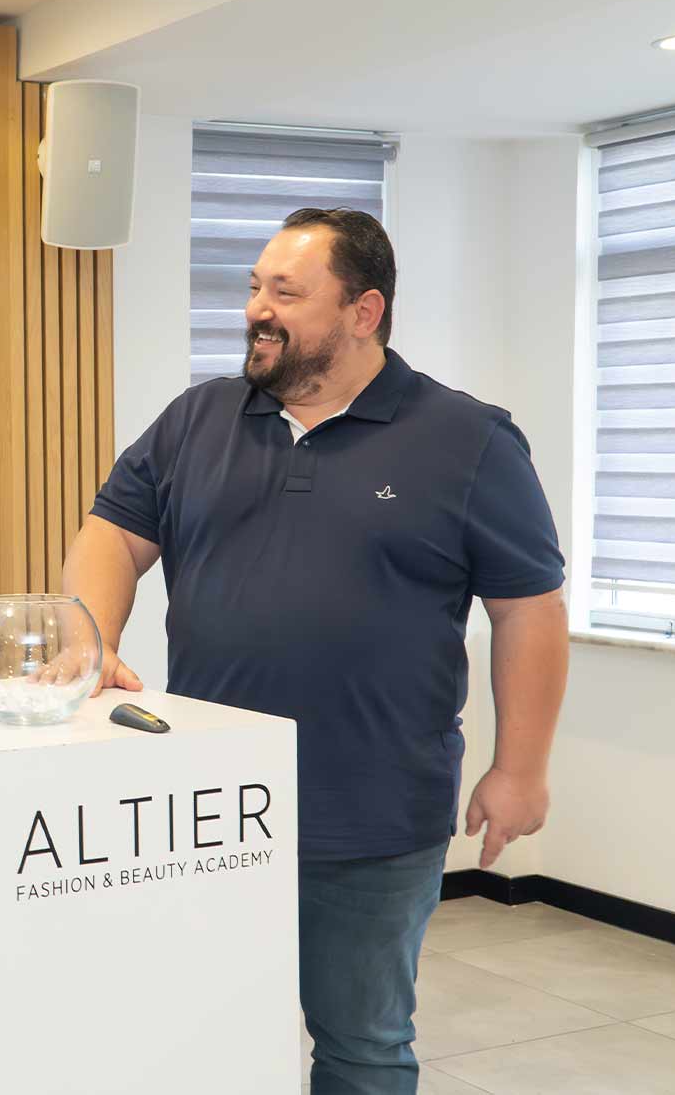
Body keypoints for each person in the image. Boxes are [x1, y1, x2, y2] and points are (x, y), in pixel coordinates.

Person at [62, 208, 568, 1094]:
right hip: (209, 810)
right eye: (255, 287)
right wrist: (91, 635)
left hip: (371, 815)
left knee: (361, 1044)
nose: (257, 308)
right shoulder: (196, 419)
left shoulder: (470, 440)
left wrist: (520, 768)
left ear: (364, 312)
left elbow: (529, 609)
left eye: (286, 292)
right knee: (205, 1035)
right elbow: (112, 533)